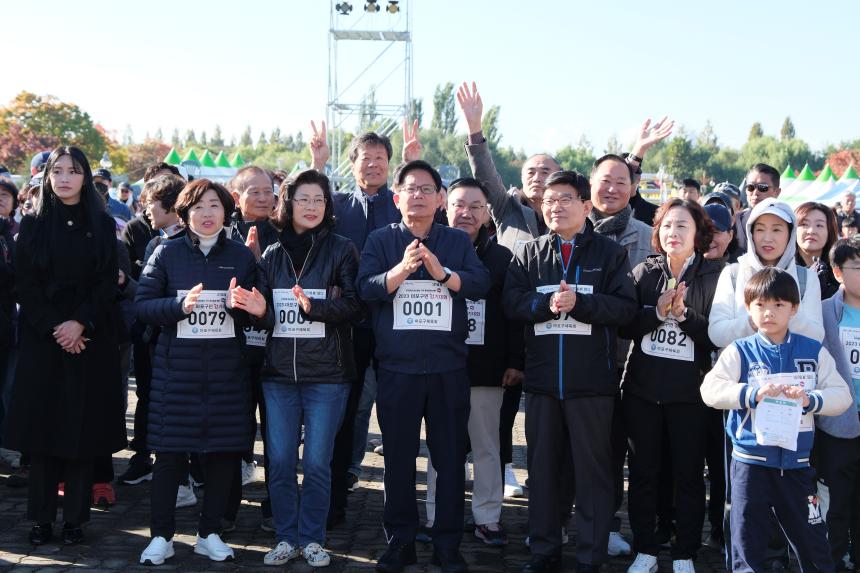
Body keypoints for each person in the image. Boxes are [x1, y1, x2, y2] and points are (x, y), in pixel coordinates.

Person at [357, 160, 490, 573]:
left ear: (439, 199)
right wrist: (400, 271)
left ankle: (447, 543)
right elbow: (365, 289)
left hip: (448, 369)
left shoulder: (455, 241)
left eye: (426, 188)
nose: (418, 195)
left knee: (449, 461)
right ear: (396, 198)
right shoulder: (380, 241)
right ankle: (401, 541)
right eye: (410, 189)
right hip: (397, 370)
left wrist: (442, 273)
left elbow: (481, 283)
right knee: (397, 460)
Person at [503, 170, 637, 573]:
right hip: (543, 385)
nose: (554, 206)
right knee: (542, 472)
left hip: (591, 386)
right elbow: (512, 303)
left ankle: (590, 556)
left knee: (593, 476)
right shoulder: (529, 254)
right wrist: (544, 307)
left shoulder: (609, 255)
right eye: (548, 200)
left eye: (564, 198)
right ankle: (544, 552)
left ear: (585, 204)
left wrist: (580, 303)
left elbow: (625, 309)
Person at [4, 146, 126, 545]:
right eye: (57, 171)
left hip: (89, 339)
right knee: (42, 436)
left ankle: (75, 520)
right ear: (47, 176)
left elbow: (108, 282)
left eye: (73, 171)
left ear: (85, 177)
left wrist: (80, 323)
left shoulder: (104, 225)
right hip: (45, 341)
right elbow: (25, 284)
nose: (64, 178)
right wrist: (57, 327)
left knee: (81, 433)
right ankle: (40, 519)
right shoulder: (33, 225)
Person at [243, 169, 363, 568]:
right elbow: (262, 317)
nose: (311, 207)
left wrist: (317, 308)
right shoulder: (272, 255)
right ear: (288, 202)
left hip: (328, 376)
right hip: (278, 377)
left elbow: (354, 306)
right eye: (303, 199)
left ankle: (312, 538)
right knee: (277, 461)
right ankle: (285, 536)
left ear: (327, 206)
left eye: (319, 200)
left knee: (316, 462)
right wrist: (260, 313)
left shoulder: (343, 249)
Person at [135, 179, 257, 565]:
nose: (207, 214)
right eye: (199, 207)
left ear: (226, 212)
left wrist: (251, 305)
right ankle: (161, 537)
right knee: (170, 458)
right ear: (185, 213)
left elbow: (262, 310)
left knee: (222, 456)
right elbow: (142, 306)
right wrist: (179, 307)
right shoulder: (165, 253)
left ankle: (210, 533)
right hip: (177, 374)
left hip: (226, 374)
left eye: (215, 206)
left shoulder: (241, 256)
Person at [701, 267, 852, 572]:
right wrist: (750, 393)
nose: (769, 312)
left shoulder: (812, 351)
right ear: (748, 309)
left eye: (779, 305)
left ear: (794, 308)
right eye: (760, 305)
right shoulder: (739, 350)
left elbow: (842, 396)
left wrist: (811, 400)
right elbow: (710, 390)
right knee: (747, 546)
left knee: (814, 546)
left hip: (797, 467)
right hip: (750, 466)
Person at [310, 124, 405, 526]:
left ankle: (400, 505)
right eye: (365, 158)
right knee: (344, 411)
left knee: (398, 411)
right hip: (346, 324)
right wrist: (317, 164)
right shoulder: (336, 206)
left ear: (389, 165)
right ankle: (333, 501)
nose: (373, 165)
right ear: (353, 165)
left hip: (395, 321)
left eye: (380, 159)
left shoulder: (400, 205)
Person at [619, 199, 721, 573]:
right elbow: (624, 324)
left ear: (698, 234)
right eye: (667, 226)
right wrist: (657, 313)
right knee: (644, 473)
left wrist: (684, 316)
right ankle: (645, 548)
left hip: (691, 396)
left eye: (682, 226)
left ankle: (685, 552)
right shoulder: (645, 272)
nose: (673, 233)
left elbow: (715, 336)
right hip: (643, 392)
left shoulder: (715, 275)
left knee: (689, 476)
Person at [424, 177, 524, 547]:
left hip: (486, 369)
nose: (466, 213)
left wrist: (516, 360)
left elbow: (513, 314)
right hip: (437, 368)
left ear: (486, 214)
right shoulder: (426, 251)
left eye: (475, 207)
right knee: (439, 448)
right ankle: (437, 516)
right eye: (458, 205)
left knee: (486, 447)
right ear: (444, 207)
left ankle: (488, 517)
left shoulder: (501, 258)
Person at [118, 174, 186, 486]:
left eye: (151, 204)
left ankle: (180, 478)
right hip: (153, 338)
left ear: (172, 207)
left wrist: (124, 283)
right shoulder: (157, 240)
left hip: (168, 341)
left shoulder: (166, 244)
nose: (146, 211)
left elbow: (148, 296)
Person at [710, 198, 824, 349]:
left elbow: (816, 336)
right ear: (751, 234)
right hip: (741, 370)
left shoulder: (807, 278)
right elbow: (716, 333)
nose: (767, 238)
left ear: (790, 234)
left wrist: (787, 312)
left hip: (789, 371)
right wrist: (752, 322)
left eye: (776, 229)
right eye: (760, 229)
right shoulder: (732, 274)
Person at [818, 237, 860, 570]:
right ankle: (830, 558)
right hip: (837, 421)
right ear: (837, 271)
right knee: (837, 498)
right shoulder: (823, 313)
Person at [795, 202, 840, 300]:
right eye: (804, 224)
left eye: (819, 225)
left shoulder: (840, 272)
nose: (811, 231)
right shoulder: (781, 268)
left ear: (830, 231)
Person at [734, 164, 783, 253]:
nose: (755, 192)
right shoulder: (735, 221)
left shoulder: (787, 222)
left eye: (762, 187)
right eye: (750, 187)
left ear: (777, 192)